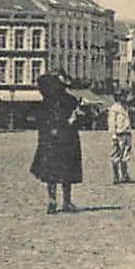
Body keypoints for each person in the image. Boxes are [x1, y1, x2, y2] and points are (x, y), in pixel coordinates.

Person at [31, 73, 83, 214]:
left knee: (51, 172)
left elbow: (41, 124)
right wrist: (73, 119)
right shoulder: (69, 100)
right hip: (67, 139)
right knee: (67, 171)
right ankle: (65, 201)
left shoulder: (45, 103)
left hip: (50, 141)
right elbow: (75, 119)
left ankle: (53, 200)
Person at [107, 94, 134, 184]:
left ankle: (125, 175)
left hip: (126, 133)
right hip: (118, 134)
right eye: (124, 96)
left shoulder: (125, 107)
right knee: (116, 155)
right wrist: (113, 134)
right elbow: (111, 123)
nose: (126, 98)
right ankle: (116, 176)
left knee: (125, 156)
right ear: (119, 98)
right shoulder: (114, 109)